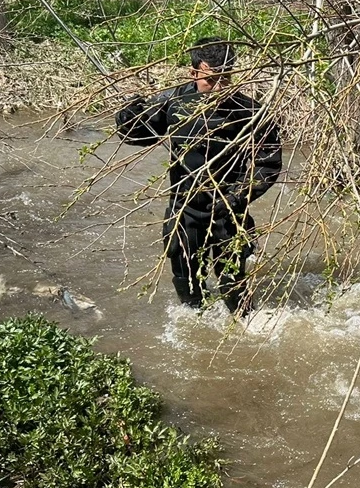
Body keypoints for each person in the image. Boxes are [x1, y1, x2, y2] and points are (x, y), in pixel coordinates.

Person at [116, 38, 282, 316]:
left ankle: (245, 332)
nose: (218, 88)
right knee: (188, 289)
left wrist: (237, 196)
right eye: (211, 80)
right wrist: (128, 117)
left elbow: (268, 164)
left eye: (225, 79)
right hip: (185, 209)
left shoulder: (249, 112)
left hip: (228, 211)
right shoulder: (172, 102)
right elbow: (137, 135)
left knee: (233, 288)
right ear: (194, 73)